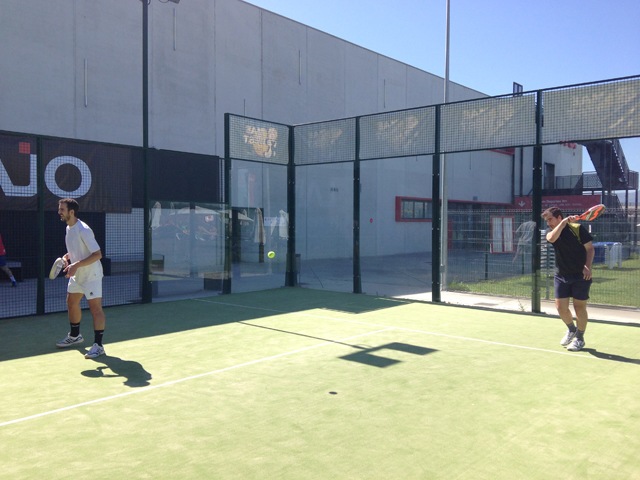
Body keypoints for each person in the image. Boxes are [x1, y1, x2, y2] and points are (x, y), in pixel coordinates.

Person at [55, 198, 107, 359]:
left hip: (91, 276)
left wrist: (75, 265)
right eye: (59, 209)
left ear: (71, 212)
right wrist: (67, 257)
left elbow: (97, 254)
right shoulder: (68, 228)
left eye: (62, 209)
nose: (59, 212)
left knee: (95, 309)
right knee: (71, 302)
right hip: (77, 274)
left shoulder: (84, 230)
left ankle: (98, 345)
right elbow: (77, 249)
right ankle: (75, 335)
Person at [541, 206, 595, 352]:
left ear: (559, 217)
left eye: (550, 219)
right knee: (561, 308)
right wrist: (563, 222)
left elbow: (590, 249)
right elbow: (551, 238)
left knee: (579, 307)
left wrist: (587, 266)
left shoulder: (577, 228)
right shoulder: (551, 232)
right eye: (547, 220)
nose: (548, 223)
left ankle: (580, 338)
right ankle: (571, 330)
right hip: (561, 275)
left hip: (581, 275)